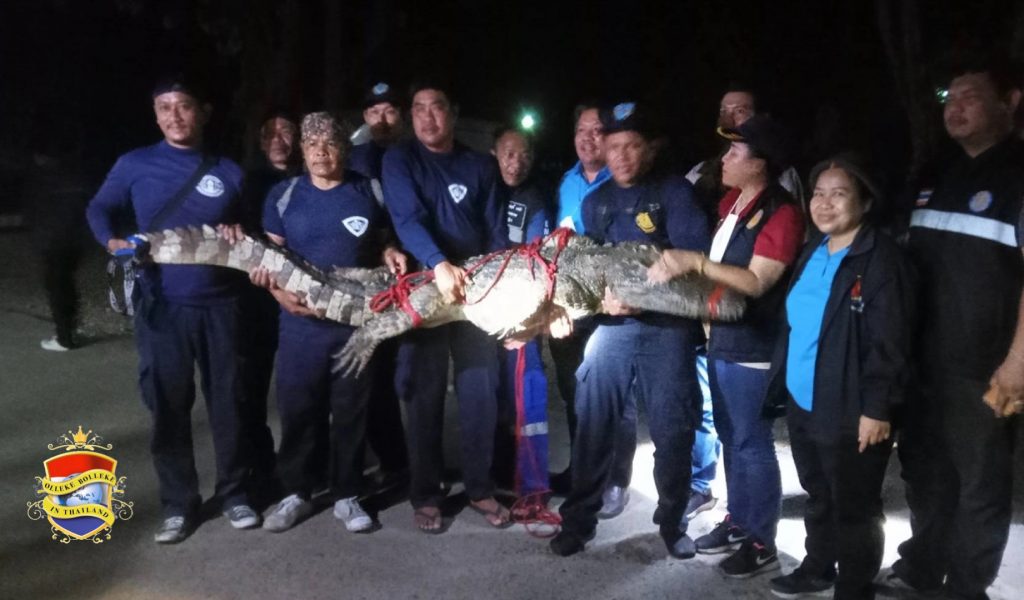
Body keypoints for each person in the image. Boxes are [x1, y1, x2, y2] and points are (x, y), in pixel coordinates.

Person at [85, 76, 258, 543]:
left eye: (183, 106)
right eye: (164, 108)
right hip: (162, 306)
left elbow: (248, 229)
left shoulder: (229, 171)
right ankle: (179, 504)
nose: (174, 116)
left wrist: (239, 229)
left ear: (203, 111)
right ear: (156, 115)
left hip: (221, 305)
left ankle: (236, 494)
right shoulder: (135, 163)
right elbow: (99, 208)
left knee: (229, 405)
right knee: (167, 406)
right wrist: (111, 240)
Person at [886, 52, 1024, 600]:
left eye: (970, 95)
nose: (955, 107)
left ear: (1009, 102)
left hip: (985, 369)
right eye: (950, 97)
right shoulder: (934, 174)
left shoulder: (1017, 176)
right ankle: (921, 565)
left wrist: (1018, 362)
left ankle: (966, 588)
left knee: (979, 486)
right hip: (922, 363)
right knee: (925, 474)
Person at [550, 102, 709, 558]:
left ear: (649, 149)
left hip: (668, 331)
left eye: (631, 145)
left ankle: (673, 523)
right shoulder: (595, 201)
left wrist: (639, 292)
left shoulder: (674, 193)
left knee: (673, 431)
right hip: (612, 327)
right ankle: (578, 521)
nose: (620, 156)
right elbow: (581, 266)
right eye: (613, 145)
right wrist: (596, 301)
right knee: (592, 422)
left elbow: (693, 261)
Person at [650, 115, 805, 577]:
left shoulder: (782, 213)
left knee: (752, 443)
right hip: (721, 340)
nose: (725, 159)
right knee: (732, 438)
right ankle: (739, 521)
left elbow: (757, 281)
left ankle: (763, 542)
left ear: (760, 163)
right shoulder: (733, 204)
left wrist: (694, 261)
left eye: (735, 153)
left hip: (754, 346)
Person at [765, 156, 914, 600]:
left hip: (851, 405)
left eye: (839, 193)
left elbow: (891, 342)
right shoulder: (813, 249)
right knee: (818, 493)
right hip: (805, 398)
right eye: (818, 193)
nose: (824, 203)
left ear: (865, 202)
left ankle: (854, 585)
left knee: (856, 505)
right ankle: (817, 568)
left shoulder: (881, 259)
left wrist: (877, 409)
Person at [251, 112, 404, 533]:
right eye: (312, 143)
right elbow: (270, 256)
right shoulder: (283, 196)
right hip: (300, 328)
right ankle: (296, 493)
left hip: (354, 324)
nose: (321, 151)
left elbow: (385, 238)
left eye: (330, 143)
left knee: (352, 410)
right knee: (299, 410)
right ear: (302, 150)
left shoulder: (367, 190)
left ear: (344, 148)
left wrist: (390, 250)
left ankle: (348, 494)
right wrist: (275, 290)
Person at [382, 80, 509, 532]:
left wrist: (490, 280)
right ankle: (426, 493)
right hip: (424, 288)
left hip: (475, 292)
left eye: (436, 108)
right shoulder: (400, 160)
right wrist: (437, 264)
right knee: (423, 394)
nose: (427, 117)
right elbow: (406, 218)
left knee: (480, 393)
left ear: (453, 113)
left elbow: (497, 231)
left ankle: (480, 488)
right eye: (418, 109)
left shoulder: (480, 165)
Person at [548, 102, 613, 497]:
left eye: (598, 131)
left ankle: (614, 480)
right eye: (582, 131)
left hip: (607, 303)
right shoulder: (566, 181)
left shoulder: (619, 181)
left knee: (609, 396)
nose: (589, 139)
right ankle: (580, 471)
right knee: (572, 390)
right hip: (569, 306)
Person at [347, 81, 410, 486]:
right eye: (374, 113)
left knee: (413, 371)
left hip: (417, 272)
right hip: (369, 279)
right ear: (365, 118)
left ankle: (418, 458)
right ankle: (389, 459)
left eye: (390, 111)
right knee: (373, 371)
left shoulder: (413, 155)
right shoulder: (353, 160)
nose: (382, 120)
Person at [238, 108, 300, 495]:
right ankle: (261, 470)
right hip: (257, 298)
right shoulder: (247, 182)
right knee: (251, 388)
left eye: (287, 132)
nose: (279, 140)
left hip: (304, 296)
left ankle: (303, 466)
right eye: (270, 134)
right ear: (261, 143)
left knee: (302, 390)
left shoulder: (311, 177)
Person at [490, 126, 552, 496]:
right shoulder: (483, 188)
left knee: (528, 398)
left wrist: (528, 321)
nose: (517, 162)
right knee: (491, 399)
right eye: (509, 153)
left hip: (518, 316)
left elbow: (536, 262)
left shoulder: (535, 200)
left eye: (525, 154)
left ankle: (533, 486)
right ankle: (496, 478)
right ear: (494, 153)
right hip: (480, 313)